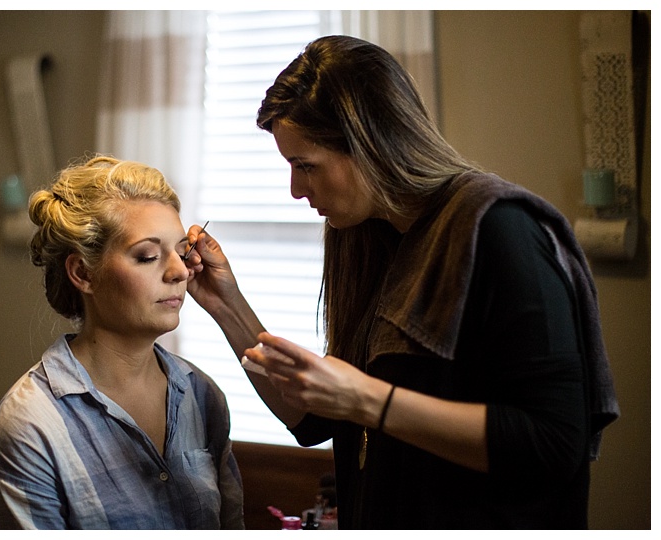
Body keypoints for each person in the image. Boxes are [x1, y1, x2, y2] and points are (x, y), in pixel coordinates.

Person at [183, 35, 619, 529]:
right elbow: (310, 421)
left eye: (306, 166)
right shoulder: (370, 238)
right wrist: (227, 305)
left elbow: (554, 444)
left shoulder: (498, 229)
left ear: (370, 143)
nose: (296, 190)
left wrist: (366, 398)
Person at [0, 156, 244, 529]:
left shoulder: (202, 396)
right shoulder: (32, 425)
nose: (180, 271)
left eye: (182, 252)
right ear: (83, 273)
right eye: (147, 255)